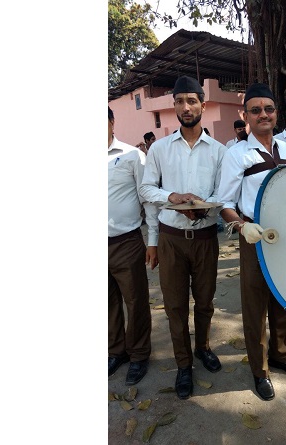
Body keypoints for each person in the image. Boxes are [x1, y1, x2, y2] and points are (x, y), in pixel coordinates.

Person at [216, 82, 286, 401]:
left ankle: (282, 355)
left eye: (268, 109)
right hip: (255, 237)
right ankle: (260, 370)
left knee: (283, 298)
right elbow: (224, 203)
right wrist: (242, 227)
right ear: (246, 116)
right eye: (255, 110)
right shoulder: (236, 154)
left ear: (276, 113)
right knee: (255, 306)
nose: (263, 114)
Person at [139, 76, 227, 400]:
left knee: (204, 302)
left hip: (205, 238)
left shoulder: (219, 151)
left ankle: (202, 347)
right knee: (175, 306)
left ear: (203, 104)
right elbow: (146, 190)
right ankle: (183, 364)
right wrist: (173, 197)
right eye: (179, 101)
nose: (185, 107)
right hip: (171, 239)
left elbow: (223, 194)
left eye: (191, 101)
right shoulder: (160, 149)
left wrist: (203, 209)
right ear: (174, 106)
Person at [108, 106, 157, 386]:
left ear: (112, 122)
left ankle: (138, 354)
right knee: (108, 301)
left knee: (135, 300)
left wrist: (153, 240)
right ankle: (116, 351)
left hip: (126, 241)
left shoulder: (132, 155)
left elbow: (147, 198)